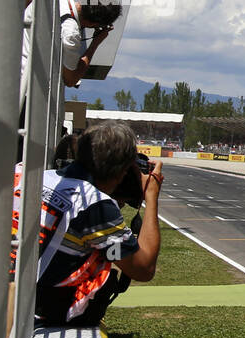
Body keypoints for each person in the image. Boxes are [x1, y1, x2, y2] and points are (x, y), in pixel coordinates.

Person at [14, 122, 162, 326]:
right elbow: (143, 268)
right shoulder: (94, 205)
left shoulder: (28, 175)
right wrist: (151, 196)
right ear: (122, 171)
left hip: (6, 292)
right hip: (38, 310)